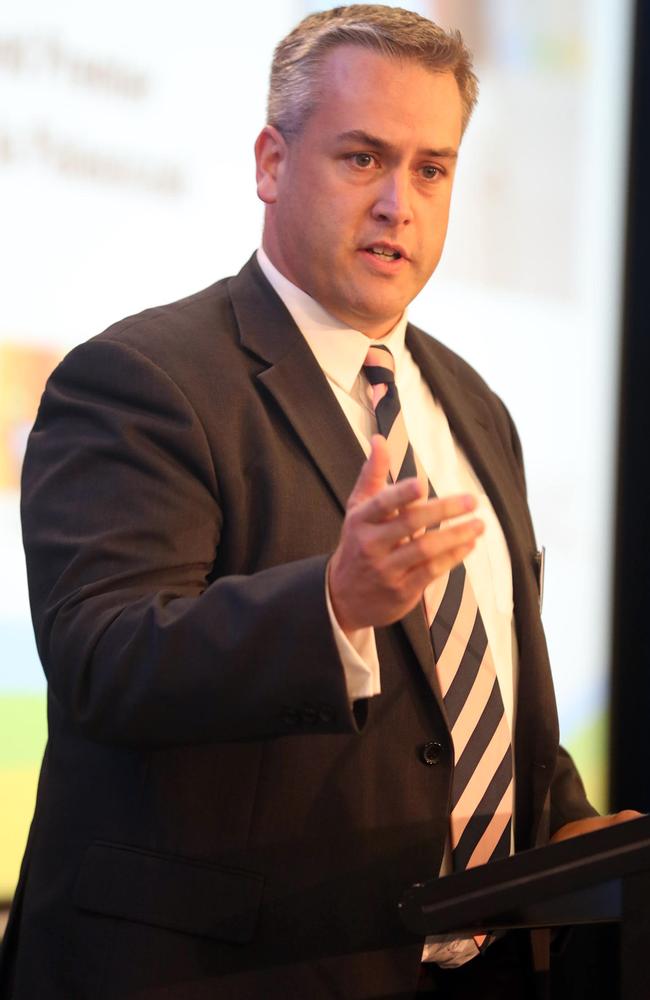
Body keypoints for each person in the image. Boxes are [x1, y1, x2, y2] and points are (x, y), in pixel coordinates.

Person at [0, 6, 639, 999]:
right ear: (269, 163)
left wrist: (567, 821)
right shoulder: (141, 378)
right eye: (360, 158)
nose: (399, 202)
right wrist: (330, 605)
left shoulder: (474, 407)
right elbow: (102, 658)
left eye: (431, 168)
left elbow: (482, 699)